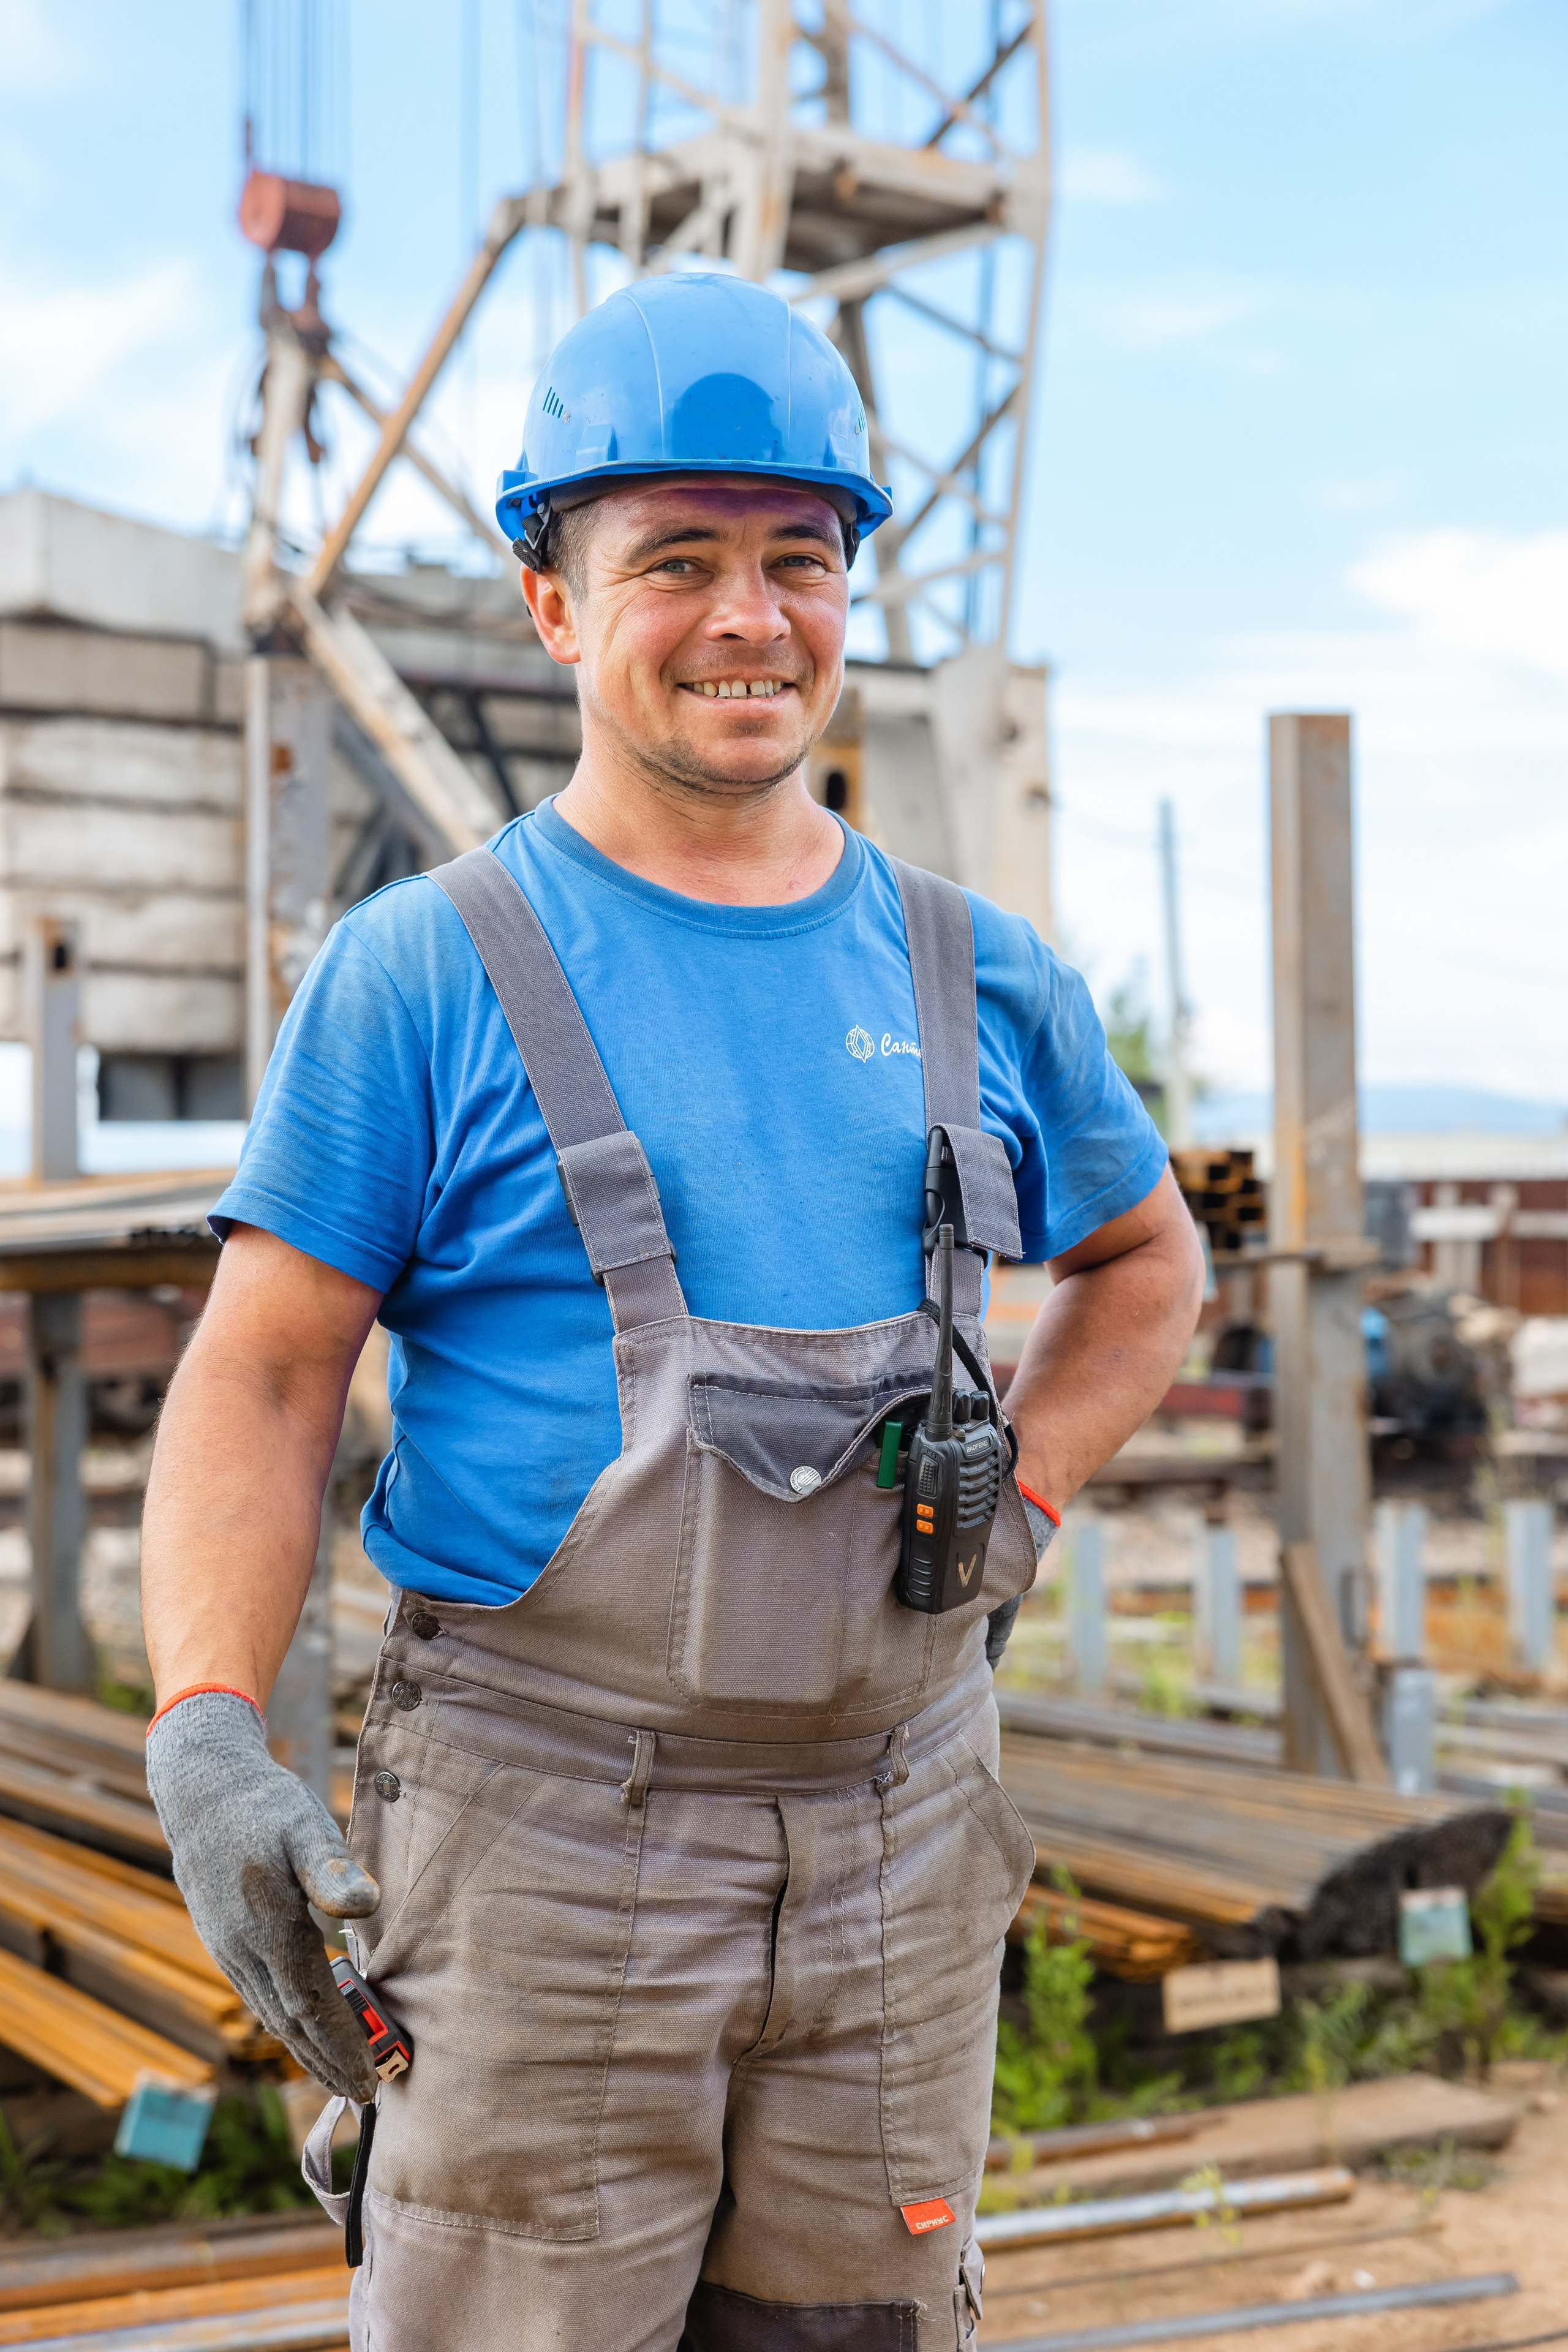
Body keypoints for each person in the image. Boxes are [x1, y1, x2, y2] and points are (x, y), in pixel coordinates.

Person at [141, 273, 1204, 2352]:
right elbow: (265, 1377)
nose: (750, 617)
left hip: (903, 1825)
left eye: (799, 560)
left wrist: (1028, 1508)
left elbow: (1149, 1267)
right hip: (544, 1843)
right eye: (678, 561)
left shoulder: (976, 973)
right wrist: (203, 1728)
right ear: (551, 601)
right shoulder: (421, 971)